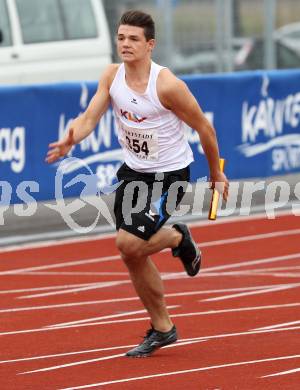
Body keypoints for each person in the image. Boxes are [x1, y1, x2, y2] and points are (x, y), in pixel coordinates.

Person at [46, 10, 229, 358]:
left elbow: (204, 129)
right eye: (121, 38)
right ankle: (163, 327)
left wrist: (216, 174)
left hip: (170, 175)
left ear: (150, 45)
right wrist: (72, 139)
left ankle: (178, 236)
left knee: (128, 242)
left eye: (133, 39)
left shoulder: (167, 85)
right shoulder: (112, 77)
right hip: (132, 175)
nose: (125, 44)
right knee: (131, 254)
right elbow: (89, 117)